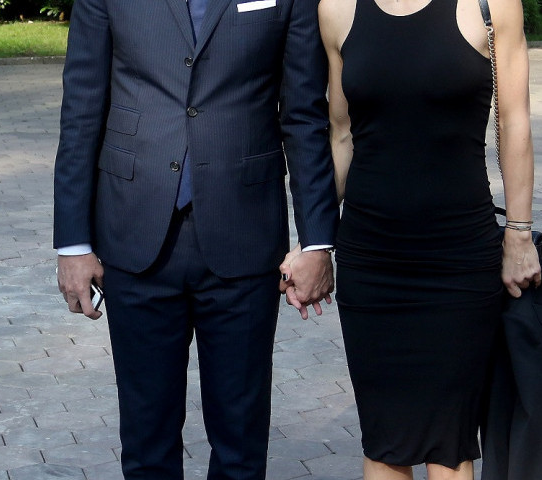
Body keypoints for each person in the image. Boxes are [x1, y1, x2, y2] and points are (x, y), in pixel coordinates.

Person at [53, 0, 339, 478]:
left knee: (241, 445)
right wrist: (73, 244)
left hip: (245, 237)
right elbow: (81, 110)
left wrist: (317, 242)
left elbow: (305, 117)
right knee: (146, 444)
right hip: (135, 233)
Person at [282, 0, 541, 479]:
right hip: (371, 263)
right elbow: (341, 135)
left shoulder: (490, 5)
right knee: (384, 441)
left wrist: (519, 234)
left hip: (459, 260)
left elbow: (514, 121)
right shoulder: (336, 9)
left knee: (450, 445)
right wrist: (312, 237)